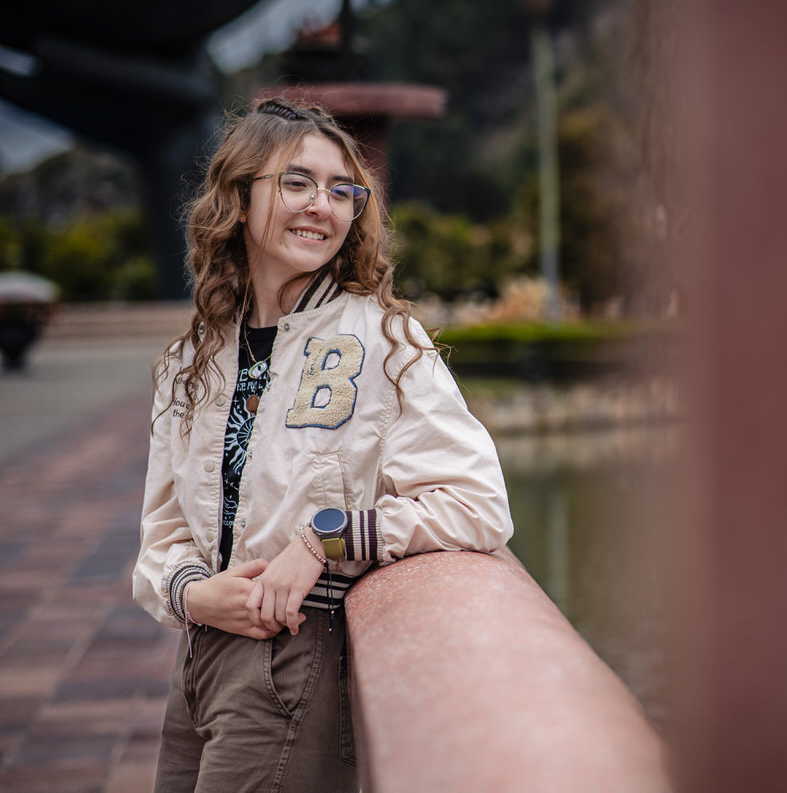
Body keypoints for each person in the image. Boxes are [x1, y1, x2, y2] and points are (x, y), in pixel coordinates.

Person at [133, 98, 514, 792]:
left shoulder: (384, 341)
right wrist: (192, 594)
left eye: (343, 190)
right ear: (239, 196)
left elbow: (478, 504)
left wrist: (321, 540)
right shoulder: (192, 358)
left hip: (294, 662)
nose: (323, 205)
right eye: (297, 182)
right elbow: (163, 533)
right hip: (196, 662)